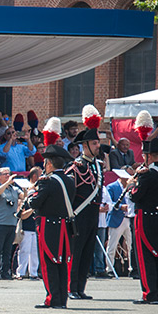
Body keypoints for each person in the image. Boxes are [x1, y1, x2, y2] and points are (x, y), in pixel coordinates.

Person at [28, 118, 75, 309]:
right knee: (62, 263)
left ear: (48, 164)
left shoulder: (46, 182)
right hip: (65, 226)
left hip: (49, 226)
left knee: (49, 263)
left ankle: (52, 298)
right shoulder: (70, 180)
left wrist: (31, 194)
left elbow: (34, 202)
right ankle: (61, 299)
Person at [66, 105, 106, 300]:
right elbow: (69, 193)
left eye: (98, 142)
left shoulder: (97, 166)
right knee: (76, 252)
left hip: (93, 215)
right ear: (85, 145)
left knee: (87, 252)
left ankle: (80, 288)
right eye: (94, 143)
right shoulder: (76, 166)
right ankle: (71, 287)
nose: (98, 146)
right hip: (79, 214)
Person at [128, 133, 158, 304]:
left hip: (145, 218)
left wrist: (131, 185)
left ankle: (149, 293)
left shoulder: (147, 174)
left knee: (144, 256)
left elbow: (136, 196)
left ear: (150, 156)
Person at [0, 167, 21, 280]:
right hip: (0, 222)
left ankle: (5, 272)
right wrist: (7, 183)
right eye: (5, 174)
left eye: (9, 174)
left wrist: (25, 188)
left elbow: (24, 195)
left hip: (11, 222)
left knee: (7, 250)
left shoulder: (14, 189)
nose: (8, 176)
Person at [105, 167, 134, 277]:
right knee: (112, 245)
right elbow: (109, 202)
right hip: (117, 218)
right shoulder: (112, 187)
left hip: (128, 218)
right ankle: (109, 268)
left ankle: (132, 267)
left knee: (131, 245)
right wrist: (121, 206)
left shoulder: (131, 186)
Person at [16, 167, 42, 280]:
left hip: (35, 227)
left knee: (35, 251)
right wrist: (33, 208)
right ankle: (20, 272)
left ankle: (33, 273)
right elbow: (22, 214)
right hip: (26, 227)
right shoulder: (28, 197)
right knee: (24, 250)